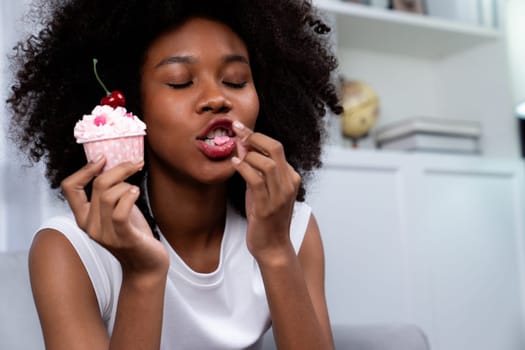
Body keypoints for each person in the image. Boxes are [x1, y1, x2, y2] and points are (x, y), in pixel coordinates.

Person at [7, 0, 342, 349]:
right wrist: (143, 276)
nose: (216, 99)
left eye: (235, 80)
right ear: (132, 109)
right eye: (180, 82)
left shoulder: (291, 227)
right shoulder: (70, 250)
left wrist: (275, 252)